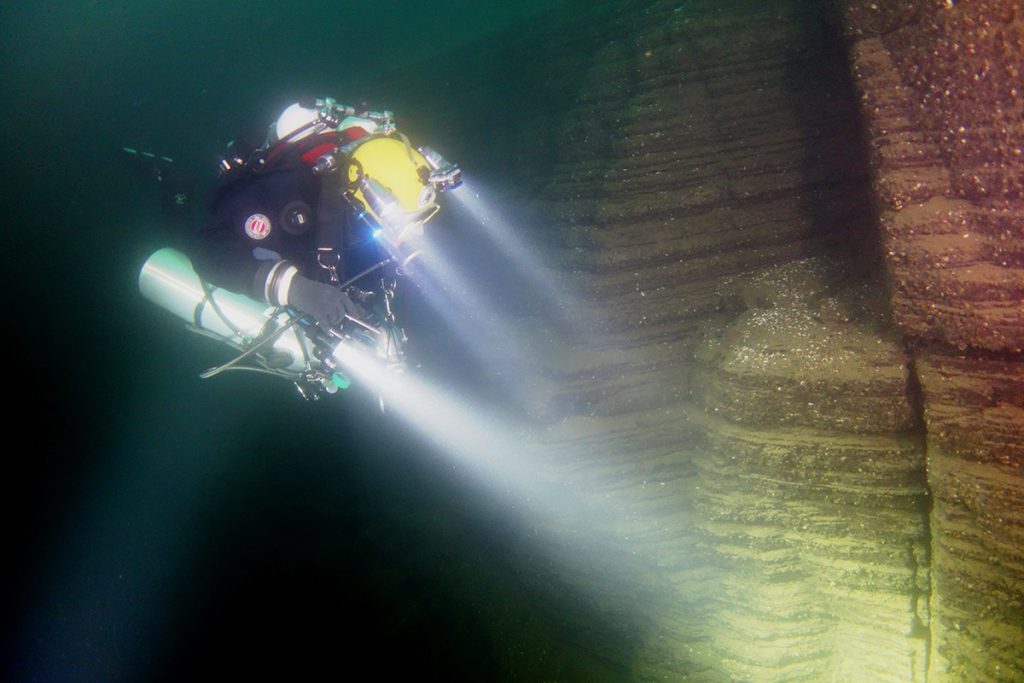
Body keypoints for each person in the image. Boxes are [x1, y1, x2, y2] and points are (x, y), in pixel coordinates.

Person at [190, 97, 400, 331]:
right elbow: (209, 250)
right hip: (354, 321)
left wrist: (294, 288)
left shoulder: (267, 188)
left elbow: (209, 249)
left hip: (354, 321)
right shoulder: (363, 175)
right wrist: (294, 288)